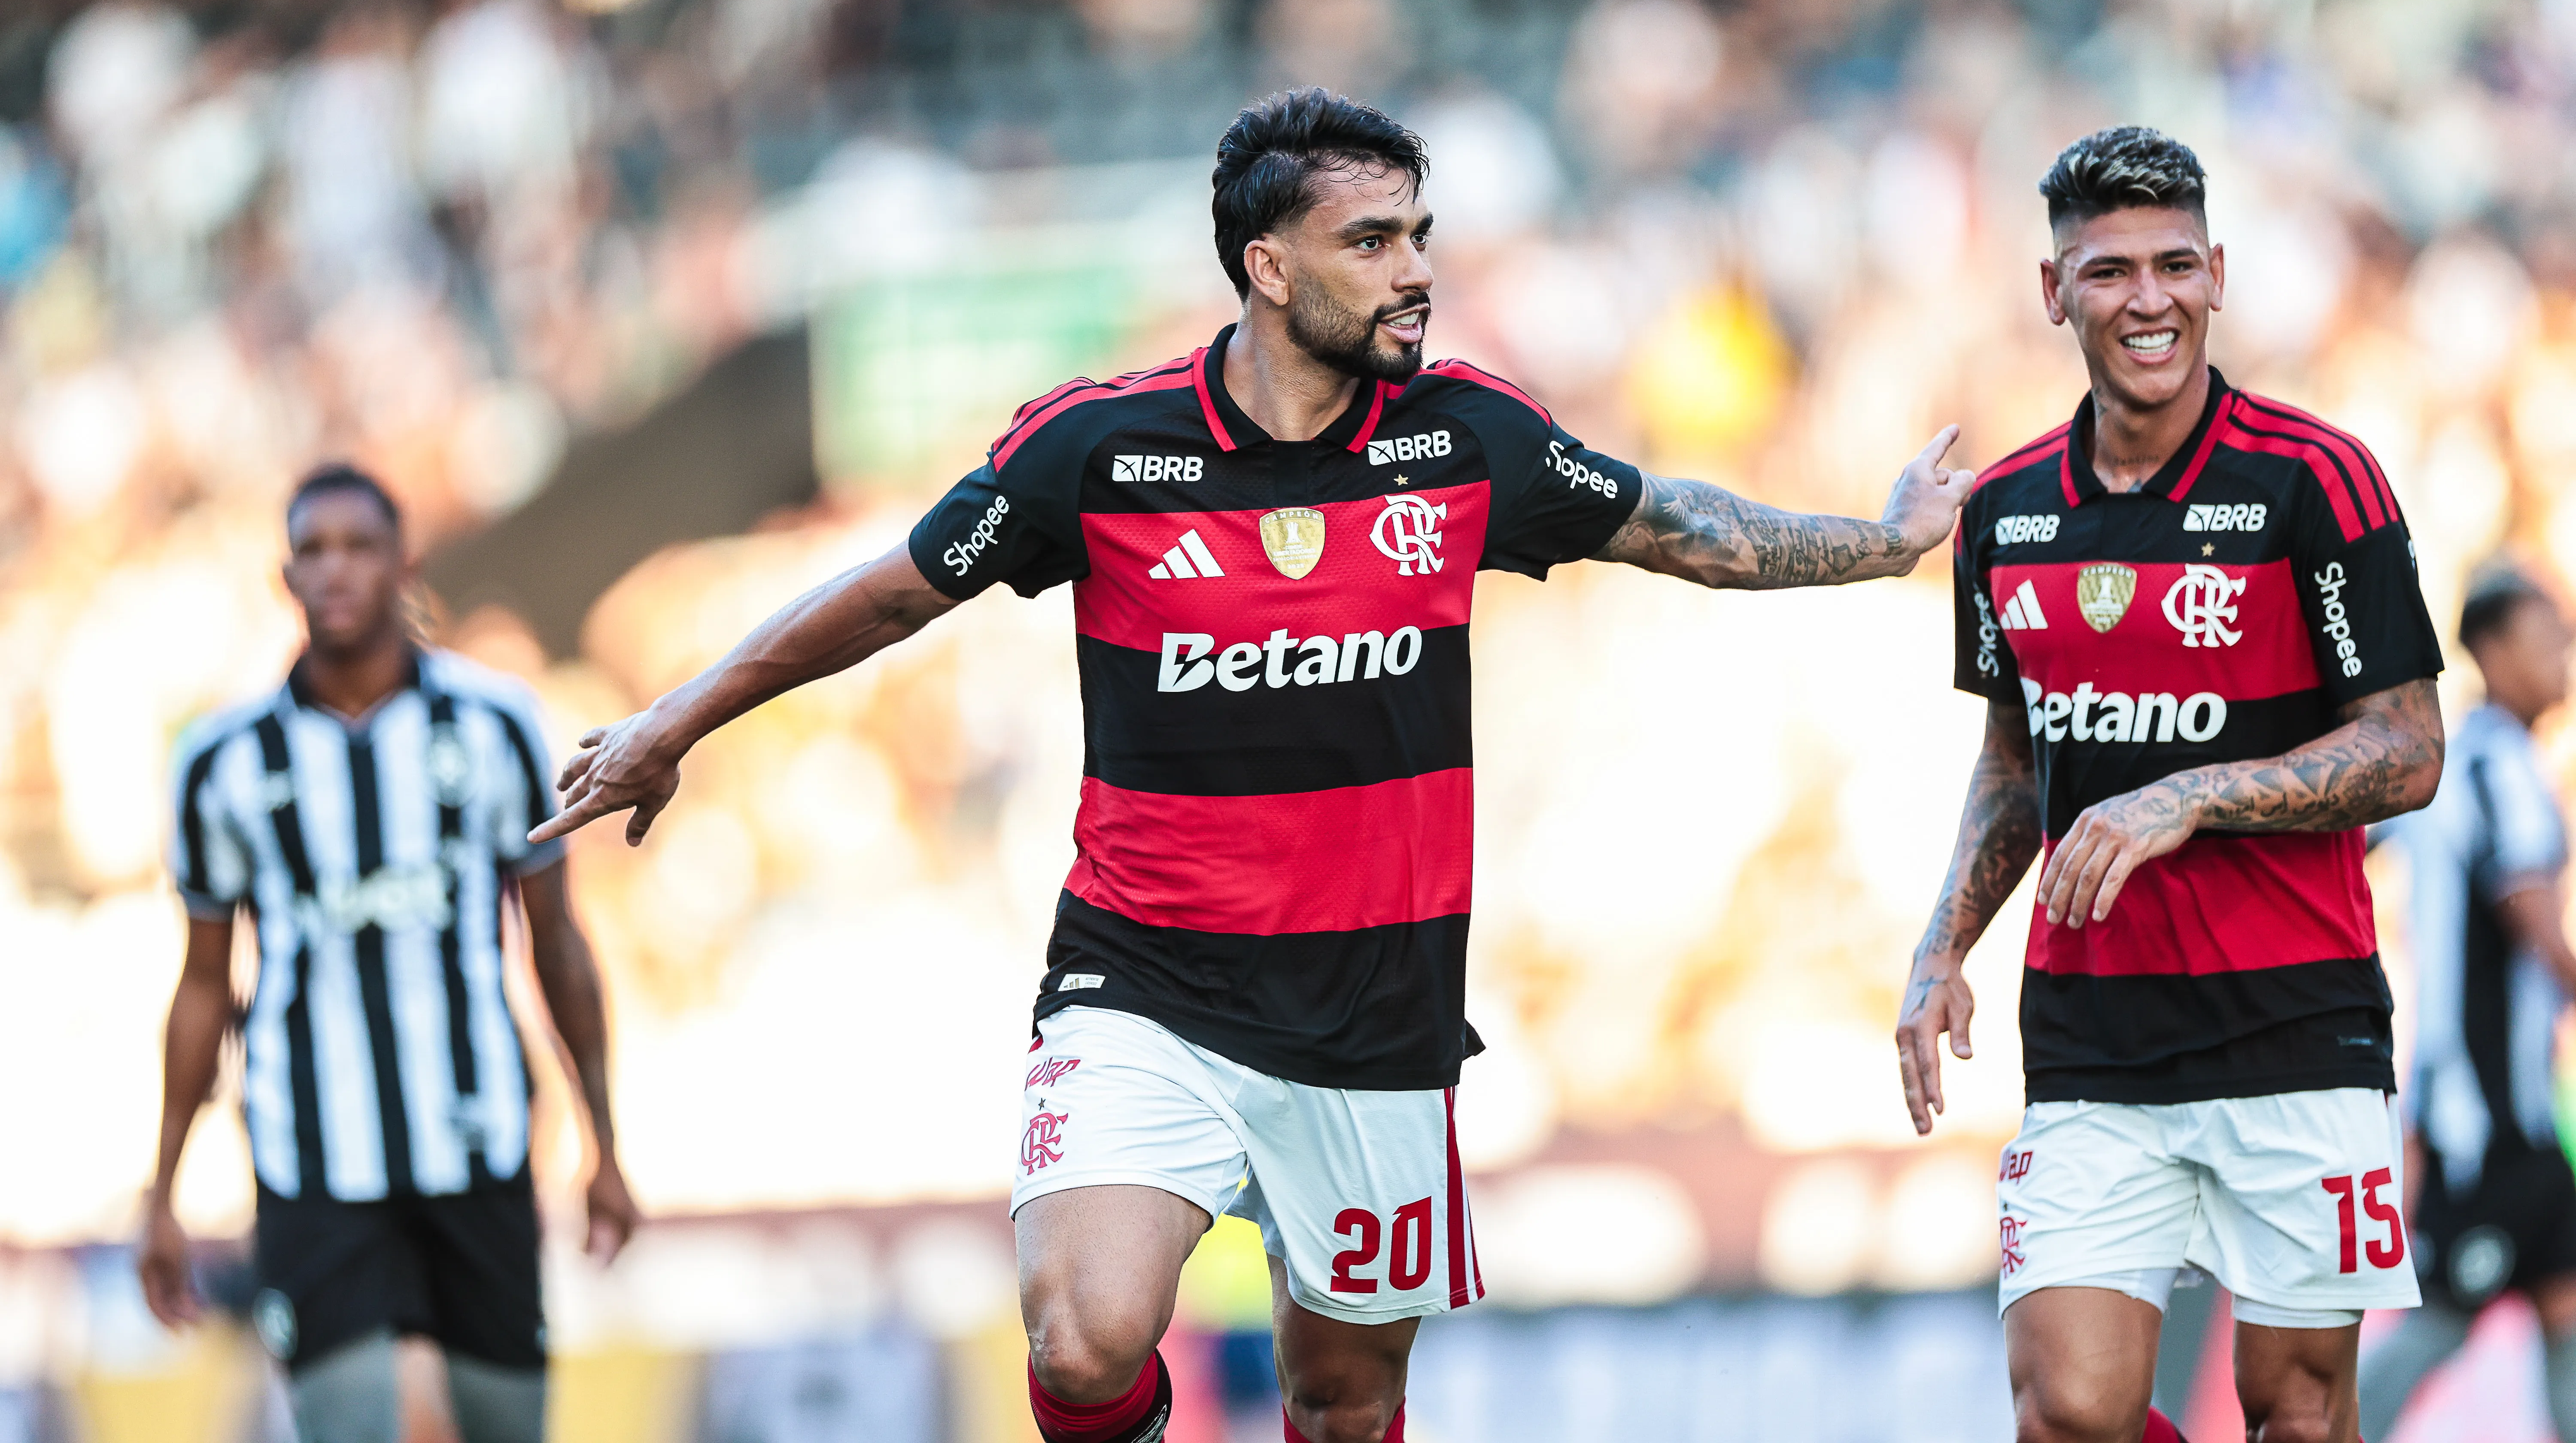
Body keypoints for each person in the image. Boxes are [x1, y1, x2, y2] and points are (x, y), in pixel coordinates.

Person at [533, 87, 1977, 1443]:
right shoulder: (1101, 450)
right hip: (1145, 985)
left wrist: (1886, 538)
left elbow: (1678, 526)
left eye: (1420, 235)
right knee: (1085, 1338)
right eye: (1374, 241)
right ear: (1270, 268)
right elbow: (898, 590)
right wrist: (676, 719)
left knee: (1343, 1400)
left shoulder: (1470, 439)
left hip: (1377, 1016)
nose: (1415, 269)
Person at [1893, 125, 2448, 1443]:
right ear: (2054, 291)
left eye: (2175, 265)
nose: (2148, 299)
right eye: (2110, 271)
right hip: (2094, 1036)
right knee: (2070, 1408)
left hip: (2298, 1028)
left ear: (2218, 276)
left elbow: (2410, 747)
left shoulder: (2317, 480)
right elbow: (2018, 766)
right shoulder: (2009, 510)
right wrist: (1939, 947)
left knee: (2298, 1413)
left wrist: (2192, 795)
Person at [139, 464, 638, 1443]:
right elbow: (203, 986)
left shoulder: (492, 727)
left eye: (359, 547)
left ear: (404, 563)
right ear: (285, 573)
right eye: (313, 550)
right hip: (312, 1163)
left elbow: (558, 944)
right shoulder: (224, 763)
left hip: (477, 1142)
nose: (336, 571)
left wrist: (604, 1141)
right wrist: (160, 1190)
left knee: (505, 1425)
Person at [2358, 567, 2576, 1440]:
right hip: (2478, 1121)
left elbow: (2358, 843)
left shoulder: (2442, 766)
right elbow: (2527, 911)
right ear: (2490, 650)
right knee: (2443, 1319)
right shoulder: (2494, 765)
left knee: (2565, 1308)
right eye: (2548, 636)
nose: (2564, 656)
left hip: (2515, 1120)